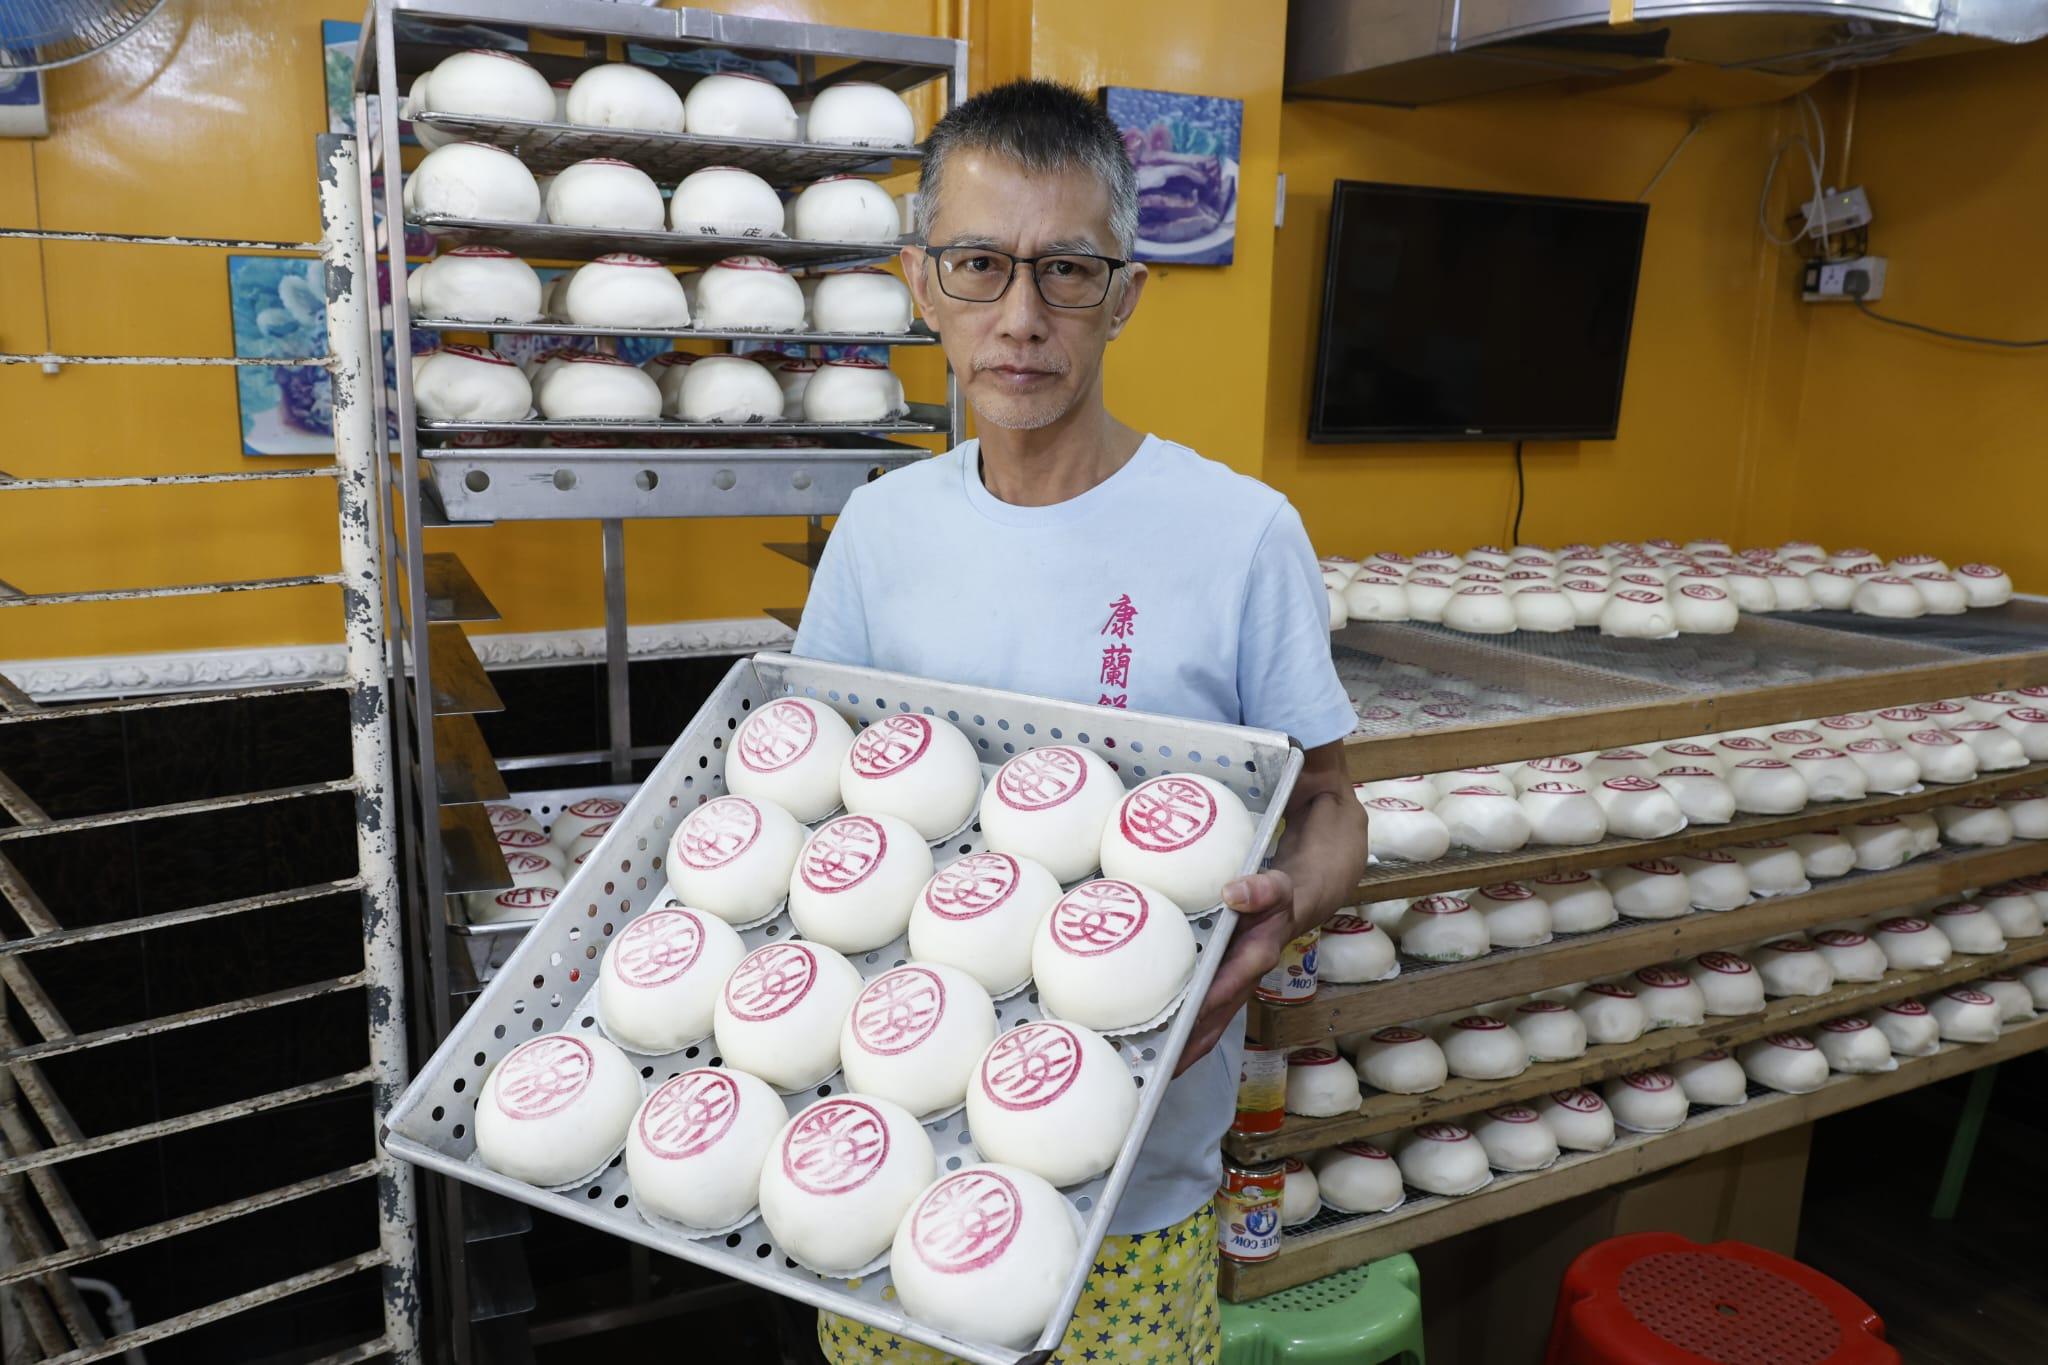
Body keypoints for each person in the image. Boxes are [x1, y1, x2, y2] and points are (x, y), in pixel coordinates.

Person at [793, 79, 1367, 1365]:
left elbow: (1330, 801)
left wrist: (1291, 905)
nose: (1019, 318)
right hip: (888, 1159)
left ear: (1125, 293)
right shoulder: (880, 531)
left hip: (1132, 1175)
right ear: (921, 281)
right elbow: (815, 798)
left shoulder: (1239, 535)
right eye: (978, 265)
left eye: (1065, 270)